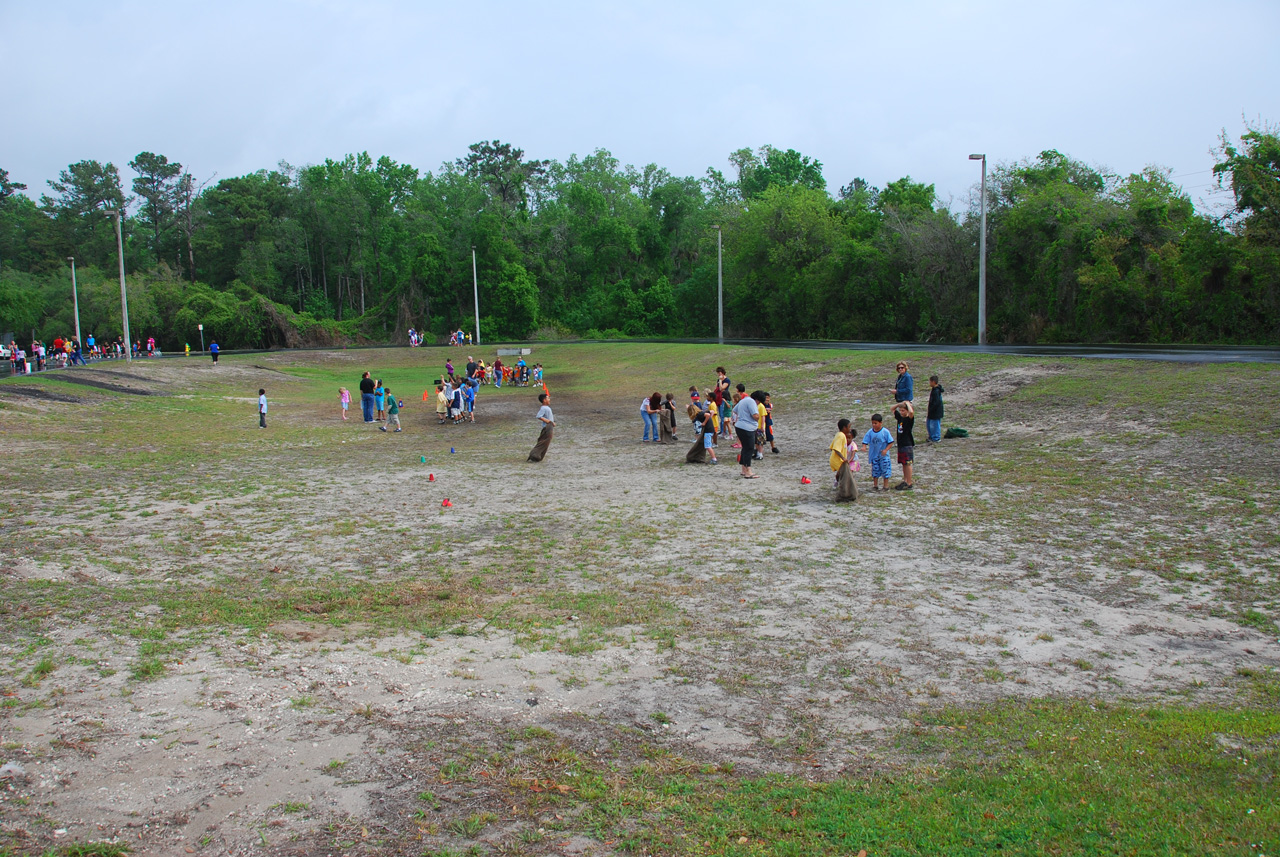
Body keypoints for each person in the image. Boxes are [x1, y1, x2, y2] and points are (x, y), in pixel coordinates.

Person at [733, 390, 763, 478]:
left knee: (745, 448)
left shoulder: (744, 400)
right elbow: (755, 416)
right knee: (749, 449)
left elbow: (735, 410)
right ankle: (748, 471)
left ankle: (743, 469)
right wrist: (757, 416)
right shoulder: (752, 402)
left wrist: (743, 415)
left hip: (740, 426)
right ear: (757, 399)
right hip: (747, 428)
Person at [862, 413, 895, 491]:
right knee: (875, 470)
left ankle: (886, 486)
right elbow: (865, 440)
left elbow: (891, 442)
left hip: (884, 456)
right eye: (873, 423)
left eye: (876, 423)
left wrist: (886, 450)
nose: (874, 425)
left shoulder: (885, 432)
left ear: (881, 423)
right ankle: (875, 485)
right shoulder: (870, 432)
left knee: (885, 470)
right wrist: (864, 447)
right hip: (874, 455)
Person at [830, 418, 858, 500]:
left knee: (844, 476)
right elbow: (835, 448)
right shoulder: (841, 436)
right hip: (839, 461)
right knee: (845, 478)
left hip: (838, 460)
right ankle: (843, 495)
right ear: (844, 428)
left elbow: (831, 447)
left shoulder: (838, 435)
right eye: (849, 427)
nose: (850, 429)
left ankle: (848, 493)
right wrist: (843, 458)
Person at [893, 400, 916, 490]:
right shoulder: (900, 418)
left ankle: (909, 482)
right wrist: (899, 404)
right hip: (901, 444)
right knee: (903, 463)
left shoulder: (909, 419)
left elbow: (911, 412)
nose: (902, 412)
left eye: (903, 410)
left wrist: (908, 404)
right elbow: (892, 409)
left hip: (907, 444)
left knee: (908, 463)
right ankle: (905, 480)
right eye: (901, 410)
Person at [528, 392, 555, 462]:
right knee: (545, 441)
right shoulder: (543, 408)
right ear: (544, 400)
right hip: (547, 427)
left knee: (545, 440)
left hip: (549, 426)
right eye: (548, 398)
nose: (549, 399)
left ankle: (538, 455)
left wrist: (552, 422)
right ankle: (534, 454)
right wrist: (548, 421)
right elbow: (539, 416)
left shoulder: (547, 408)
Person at [926, 375, 945, 443]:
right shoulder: (935, 390)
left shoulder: (936, 391)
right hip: (933, 411)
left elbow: (936, 402)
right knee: (930, 424)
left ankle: (936, 437)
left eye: (930, 381)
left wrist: (931, 409)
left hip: (935, 412)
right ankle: (932, 436)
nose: (929, 383)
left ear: (933, 382)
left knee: (934, 425)